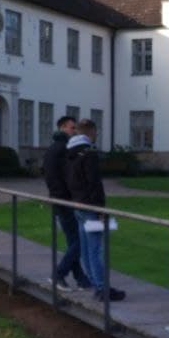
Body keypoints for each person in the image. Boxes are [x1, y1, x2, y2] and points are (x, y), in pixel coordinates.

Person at [65, 119, 125, 302]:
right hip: (89, 206)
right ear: (91, 132)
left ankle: (96, 284)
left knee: (86, 248)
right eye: (96, 133)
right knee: (96, 249)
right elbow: (94, 183)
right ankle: (101, 288)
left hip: (78, 204)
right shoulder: (89, 153)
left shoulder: (72, 153)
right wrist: (100, 209)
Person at [42, 115, 91, 290]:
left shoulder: (53, 148)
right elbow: (69, 178)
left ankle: (81, 279)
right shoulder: (64, 149)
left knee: (73, 241)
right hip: (65, 201)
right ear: (63, 128)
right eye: (72, 128)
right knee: (79, 241)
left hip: (58, 199)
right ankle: (59, 274)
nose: (75, 131)